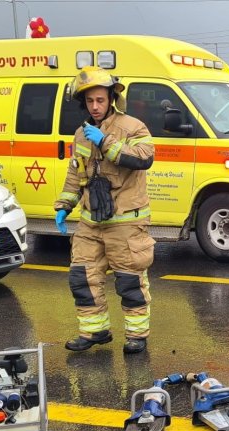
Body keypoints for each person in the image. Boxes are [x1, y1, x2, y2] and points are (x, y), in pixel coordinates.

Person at [54, 66, 156, 354]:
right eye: (89, 101)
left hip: (125, 224)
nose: (95, 106)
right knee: (82, 278)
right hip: (90, 223)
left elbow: (143, 158)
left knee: (129, 282)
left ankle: (136, 336)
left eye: (100, 100)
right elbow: (75, 174)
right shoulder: (81, 135)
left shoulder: (133, 127)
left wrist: (105, 141)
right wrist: (64, 205)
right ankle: (94, 331)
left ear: (111, 99)